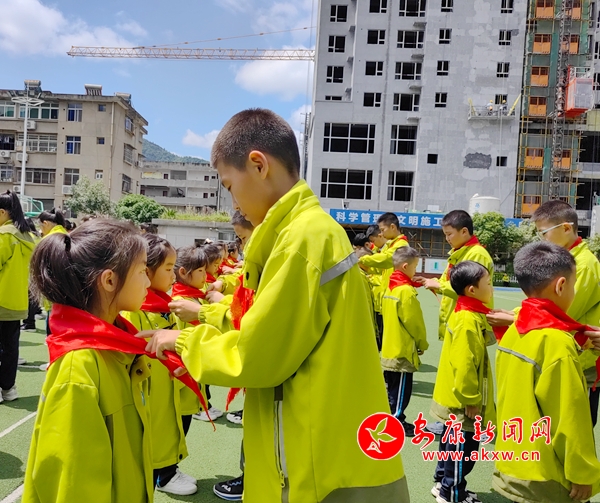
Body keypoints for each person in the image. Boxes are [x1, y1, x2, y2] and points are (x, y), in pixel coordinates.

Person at [142, 108, 409, 503]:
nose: (233, 199)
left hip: (311, 464)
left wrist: (183, 342)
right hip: (325, 447)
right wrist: (210, 315)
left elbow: (258, 356)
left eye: (229, 185)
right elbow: (269, 319)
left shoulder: (301, 239)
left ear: (258, 165)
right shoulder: (305, 231)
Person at [22, 219, 202, 502]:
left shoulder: (117, 343)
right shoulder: (79, 369)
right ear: (109, 280)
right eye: (142, 271)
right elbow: (74, 487)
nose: (148, 281)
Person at [493, 241, 600, 503]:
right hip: (548, 476)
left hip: (515, 460)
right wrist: (582, 473)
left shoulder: (514, 330)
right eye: (574, 285)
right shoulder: (557, 343)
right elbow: (569, 418)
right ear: (561, 285)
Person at [121, 234, 198, 496]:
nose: (174, 275)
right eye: (168, 268)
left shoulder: (165, 304)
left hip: (169, 383)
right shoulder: (135, 309)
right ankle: (162, 475)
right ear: (146, 271)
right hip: (151, 388)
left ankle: (168, 469)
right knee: (155, 431)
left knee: (171, 425)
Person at [430, 261, 495, 503]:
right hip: (462, 401)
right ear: (472, 290)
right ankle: (452, 493)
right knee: (462, 449)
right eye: (488, 283)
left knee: (450, 442)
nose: (491, 288)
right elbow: (465, 364)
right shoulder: (468, 320)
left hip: (453, 395)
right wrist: (470, 399)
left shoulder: (466, 312)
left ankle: (442, 483)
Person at [532, 200, 600, 427]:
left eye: (544, 233)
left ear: (566, 228)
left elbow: (560, 311)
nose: (542, 239)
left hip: (581, 361)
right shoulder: (566, 261)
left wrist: (516, 316)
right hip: (567, 354)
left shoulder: (583, 264)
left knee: (576, 429)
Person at [418, 210, 494, 341]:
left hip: (469, 320)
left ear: (464, 231)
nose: (447, 239)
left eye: (449, 234)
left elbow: (470, 289)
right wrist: (430, 282)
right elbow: (446, 281)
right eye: (445, 235)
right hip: (458, 318)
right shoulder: (459, 253)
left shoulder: (476, 254)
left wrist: (438, 286)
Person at [170, 244, 221, 422]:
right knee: (182, 421)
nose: (205, 275)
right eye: (200, 271)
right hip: (184, 375)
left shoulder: (197, 296)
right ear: (183, 272)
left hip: (195, 370)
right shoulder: (179, 303)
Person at [381, 246, 428, 437]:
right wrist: (422, 343)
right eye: (415, 267)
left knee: (391, 389)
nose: (416, 270)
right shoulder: (406, 291)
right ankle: (396, 421)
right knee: (401, 391)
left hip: (389, 347)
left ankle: (392, 418)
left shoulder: (390, 286)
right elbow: (414, 322)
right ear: (406, 266)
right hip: (402, 349)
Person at [0, 191, 36, 403]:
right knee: (11, 348)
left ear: (2, 212)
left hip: (1, 298)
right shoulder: (28, 237)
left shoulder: (4, 236)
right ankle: (8, 388)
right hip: (17, 301)